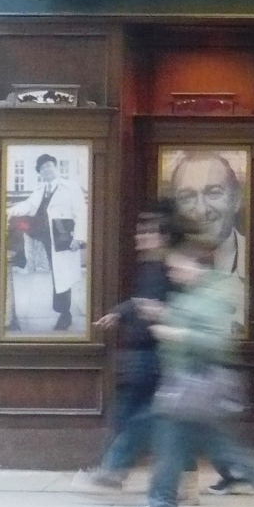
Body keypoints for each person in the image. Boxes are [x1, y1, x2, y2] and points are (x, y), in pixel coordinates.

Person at [127, 244, 254, 507]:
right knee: (216, 445)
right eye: (171, 269)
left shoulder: (214, 295)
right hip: (189, 383)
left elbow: (217, 341)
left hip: (198, 381)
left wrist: (176, 333)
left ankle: (162, 506)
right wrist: (162, 315)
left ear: (197, 266)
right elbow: (191, 321)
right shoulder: (192, 294)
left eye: (178, 268)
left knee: (171, 442)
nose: (173, 273)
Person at [74, 205, 175, 490]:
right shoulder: (152, 268)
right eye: (140, 232)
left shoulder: (166, 269)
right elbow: (141, 301)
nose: (140, 238)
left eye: (147, 233)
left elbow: (159, 306)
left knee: (139, 418)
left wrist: (148, 312)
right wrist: (121, 311)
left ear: (163, 238)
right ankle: (115, 469)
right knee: (134, 417)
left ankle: (115, 469)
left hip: (153, 355)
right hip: (143, 355)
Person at [7, 153, 84, 331]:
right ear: (40, 173)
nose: (46, 170)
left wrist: (78, 238)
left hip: (63, 236)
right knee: (57, 275)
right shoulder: (40, 190)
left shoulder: (70, 187)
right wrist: (10, 211)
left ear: (55, 167)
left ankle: (65, 314)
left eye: (49, 166)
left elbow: (81, 212)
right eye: (42, 168)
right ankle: (62, 312)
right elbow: (28, 206)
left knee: (62, 276)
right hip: (45, 237)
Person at [168, 152, 247, 321]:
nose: (201, 210)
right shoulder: (168, 264)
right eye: (187, 197)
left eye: (213, 193)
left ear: (236, 199)